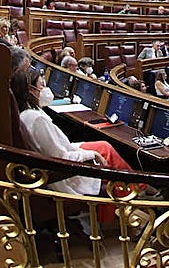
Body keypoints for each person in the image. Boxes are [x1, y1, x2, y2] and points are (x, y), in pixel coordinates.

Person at [10, 67, 152, 228]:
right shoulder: (36, 120)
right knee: (107, 158)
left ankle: (137, 191)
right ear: (31, 90)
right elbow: (61, 157)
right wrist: (89, 154)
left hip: (57, 163)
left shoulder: (28, 113)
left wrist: (86, 151)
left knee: (103, 146)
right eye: (42, 85)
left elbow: (59, 146)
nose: (45, 89)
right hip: (63, 176)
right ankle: (136, 197)